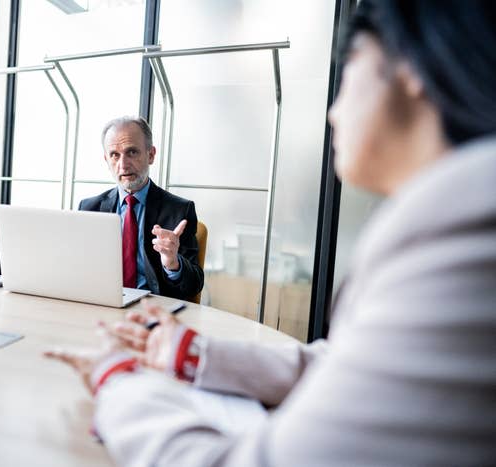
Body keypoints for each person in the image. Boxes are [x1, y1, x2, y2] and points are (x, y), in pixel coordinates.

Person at [46, 1, 496, 465]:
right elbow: (342, 365)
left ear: (411, 69)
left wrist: (116, 380)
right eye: (114, 155)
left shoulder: (465, 245)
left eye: (348, 76)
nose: (333, 113)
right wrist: (191, 351)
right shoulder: (445, 230)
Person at [78, 116, 204, 301]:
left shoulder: (179, 211)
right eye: (115, 155)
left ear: (151, 154)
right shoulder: (90, 208)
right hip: (102, 304)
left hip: (153, 308)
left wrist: (172, 263)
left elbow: (194, 285)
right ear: (106, 159)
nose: (123, 164)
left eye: (132, 152)